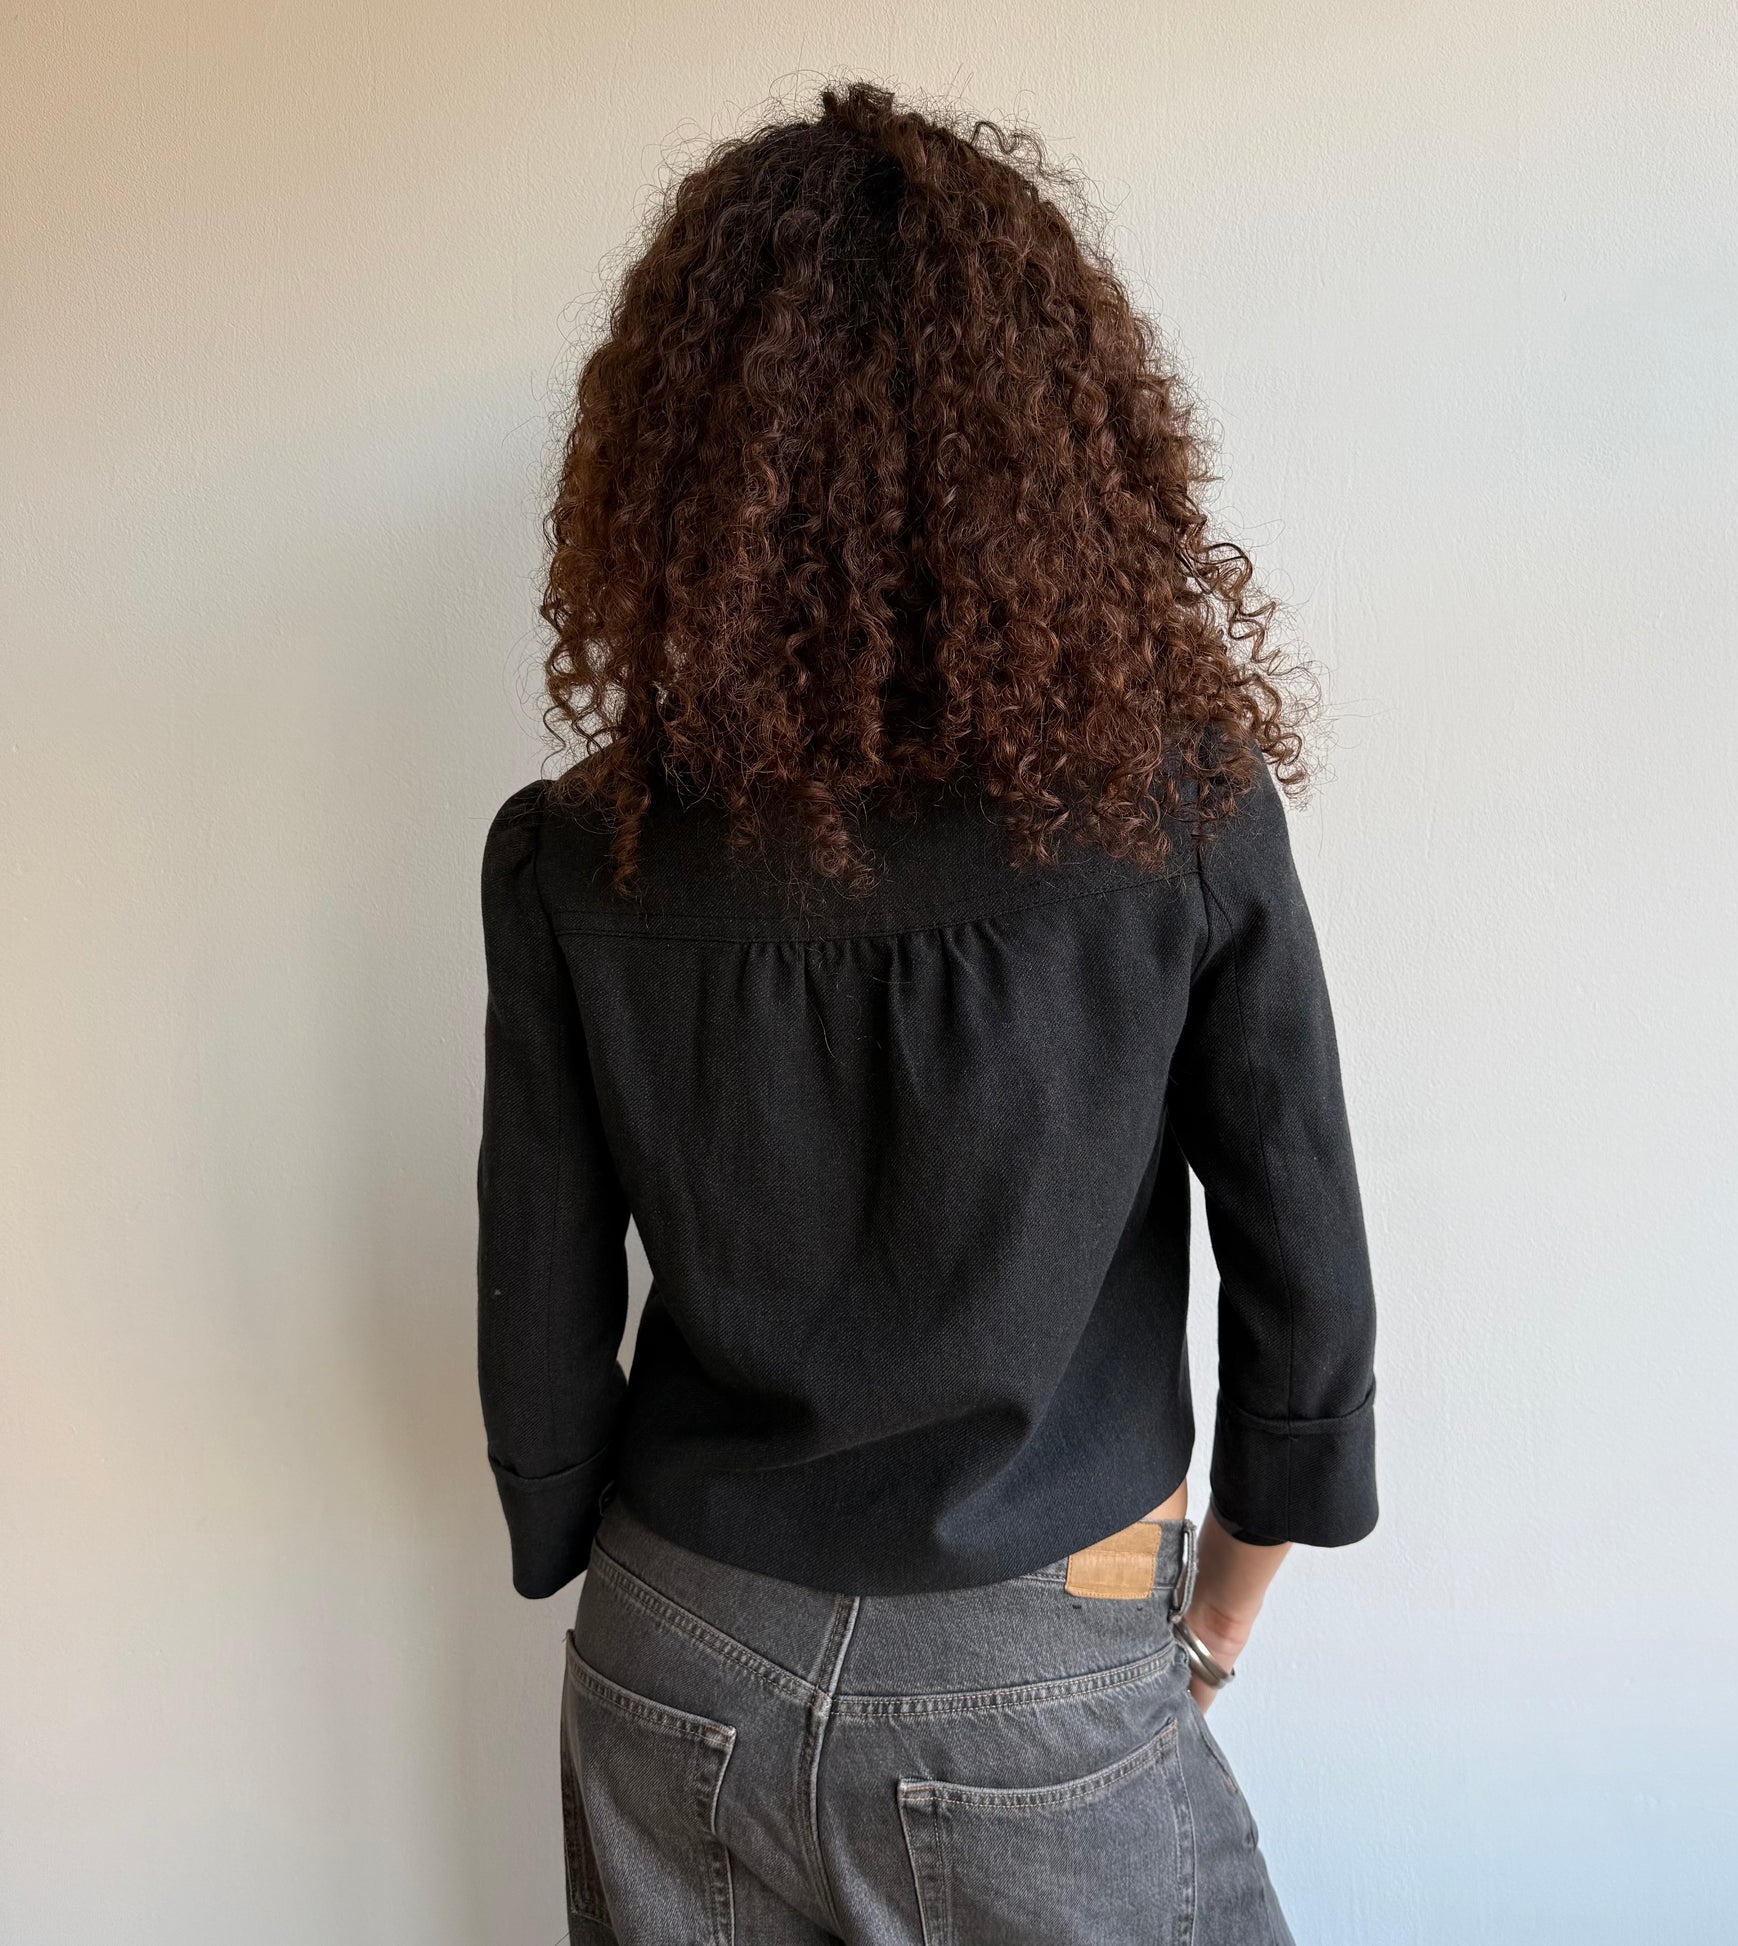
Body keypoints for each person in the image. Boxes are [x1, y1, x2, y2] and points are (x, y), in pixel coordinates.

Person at [475, 79, 1379, 1946]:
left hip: (674, 1641)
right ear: (1053, 448)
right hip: (1041, 1659)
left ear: (681, 476)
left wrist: (562, 1518)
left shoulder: (576, 853)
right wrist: (1210, 1625)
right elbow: (1306, 1290)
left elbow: (538, 1294)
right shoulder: (1178, 822)